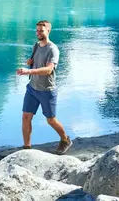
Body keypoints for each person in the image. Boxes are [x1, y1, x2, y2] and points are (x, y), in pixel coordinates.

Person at [16, 20, 72, 155]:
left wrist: (28, 71)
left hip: (47, 91)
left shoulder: (53, 49)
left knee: (51, 120)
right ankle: (27, 148)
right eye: (37, 30)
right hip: (32, 88)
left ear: (48, 31)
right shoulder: (36, 46)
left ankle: (65, 140)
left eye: (41, 30)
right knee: (25, 117)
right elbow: (35, 61)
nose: (38, 33)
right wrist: (30, 62)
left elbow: (48, 70)